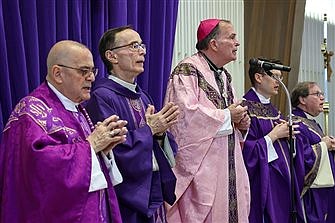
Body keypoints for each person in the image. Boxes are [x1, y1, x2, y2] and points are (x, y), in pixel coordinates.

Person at [0, 40, 128, 222]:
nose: (91, 78)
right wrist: (92, 145)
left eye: (93, 71)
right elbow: (37, 171)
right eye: (84, 71)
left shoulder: (77, 108)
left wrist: (103, 150)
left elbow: (88, 155)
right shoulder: (31, 112)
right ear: (58, 73)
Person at [85, 26, 180, 223]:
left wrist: (160, 134)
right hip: (126, 197)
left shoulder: (142, 96)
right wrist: (151, 130)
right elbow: (114, 150)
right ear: (112, 56)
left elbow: (160, 144)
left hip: (151, 191)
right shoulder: (102, 96)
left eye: (142, 45)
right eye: (134, 46)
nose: (142, 51)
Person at [164, 18, 250, 223]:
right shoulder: (187, 70)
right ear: (213, 44)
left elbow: (231, 113)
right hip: (203, 168)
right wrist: (228, 116)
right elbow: (185, 118)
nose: (237, 43)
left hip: (228, 163)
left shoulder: (224, 76)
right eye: (231, 37)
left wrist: (241, 123)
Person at [242, 59, 305, 223]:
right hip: (263, 183)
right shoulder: (244, 109)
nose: (279, 81)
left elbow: (286, 151)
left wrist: (289, 137)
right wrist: (273, 136)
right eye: (274, 76)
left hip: (282, 181)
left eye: (281, 77)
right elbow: (244, 151)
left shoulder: (274, 110)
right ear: (258, 77)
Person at [291, 81, 335, 223]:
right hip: (310, 192)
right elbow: (300, 158)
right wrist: (323, 145)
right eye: (317, 94)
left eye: (322, 94)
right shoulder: (296, 124)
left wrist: (330, 147)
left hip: (322, 190)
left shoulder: (311, 123)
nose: (322, 98)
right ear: (302, 99)